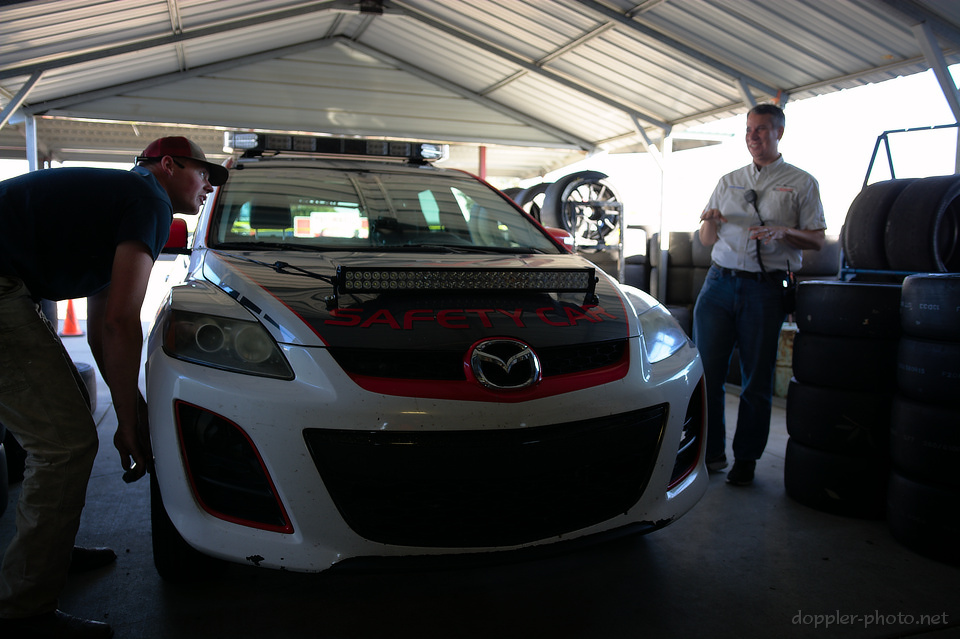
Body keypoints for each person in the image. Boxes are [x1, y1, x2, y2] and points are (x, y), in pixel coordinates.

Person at [0, 137, 227, 638]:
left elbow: (104, 332)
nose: (209, 186)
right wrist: (127, 422)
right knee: (64, 444)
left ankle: (47, 552)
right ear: (168, 165)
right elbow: (122, 324)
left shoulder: (119, 200)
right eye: (204, 173)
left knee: (67, 418)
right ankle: (24, 610)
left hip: (10, 285)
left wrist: (133, 410)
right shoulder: (149, 200)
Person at [693, 104, 826, 486]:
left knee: (756, 379)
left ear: (779, 133)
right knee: (707, 374)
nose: (753, 136)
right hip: (718, 284)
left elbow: (817, 239)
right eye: (749, 129)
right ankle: (711, 453)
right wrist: (708, 221)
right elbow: (707, 239)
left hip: (765, 288)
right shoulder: (729, 180)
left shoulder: (801, 182)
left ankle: (746, 459)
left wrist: (784, 232)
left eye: (762, 129)